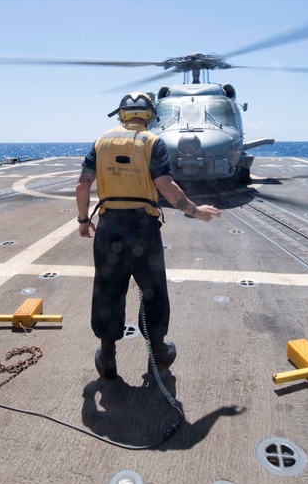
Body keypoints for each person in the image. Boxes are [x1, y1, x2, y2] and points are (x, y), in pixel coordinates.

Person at [75, 92, 222, 380]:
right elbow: (166, 186)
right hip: (143, 228)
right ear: (149, 115)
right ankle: (158, 351)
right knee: (153, 290)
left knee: (107, 290)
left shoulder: (100, 141)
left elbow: (82, 185)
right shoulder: (153, 143)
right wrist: (195, 211)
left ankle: (107, 357)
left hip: (108, 228)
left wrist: (83, 221)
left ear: (121, 115)